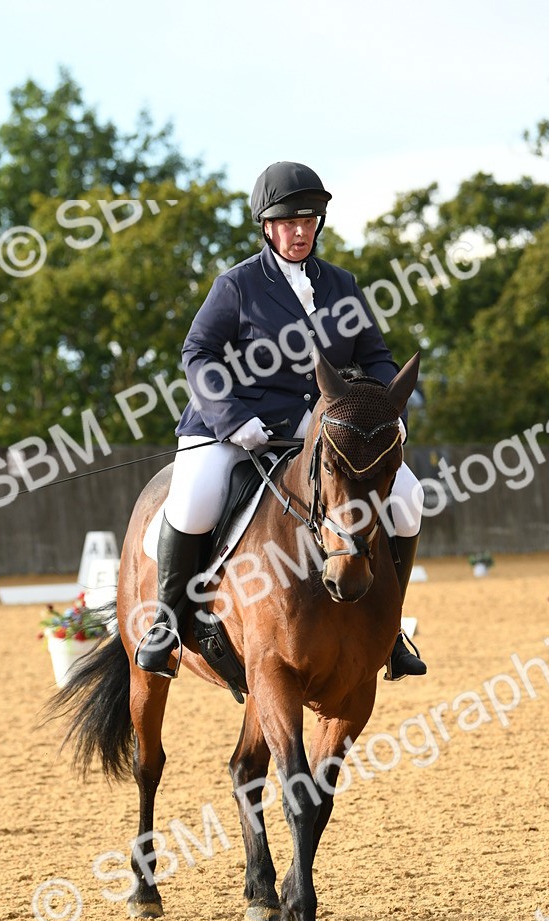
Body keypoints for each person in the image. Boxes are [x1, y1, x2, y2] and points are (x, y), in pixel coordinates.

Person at [135, 161, 426, 680]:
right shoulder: (238, 285)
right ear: (268, 227)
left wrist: (386, 412)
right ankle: (167, 623)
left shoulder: (340, 284)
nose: (300, 232)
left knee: (407, 497)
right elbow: (198, 353)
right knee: (194, 499)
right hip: (235, 426)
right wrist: (232, 417)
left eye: (309, 221)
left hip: (321, 434)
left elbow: (377, 356)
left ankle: (391, 627)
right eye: (289, 223)